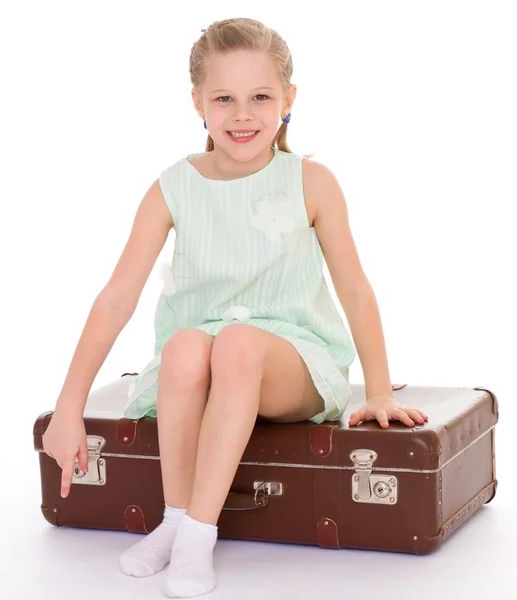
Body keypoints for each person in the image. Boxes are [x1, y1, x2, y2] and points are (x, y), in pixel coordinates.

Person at [42, 17, 428, 599]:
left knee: (240, 344)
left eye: (260, 97)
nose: (242, 115)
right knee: (185, 343)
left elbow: (355, 289)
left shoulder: (311, 182)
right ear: (198, 102)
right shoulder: (174, 187)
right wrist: (68, 406)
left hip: (291, 363)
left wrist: (378, 391)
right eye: (224, 98)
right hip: (203, 362)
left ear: (288, 100)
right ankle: (174, 520)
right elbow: (116, 296)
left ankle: (200, 531)